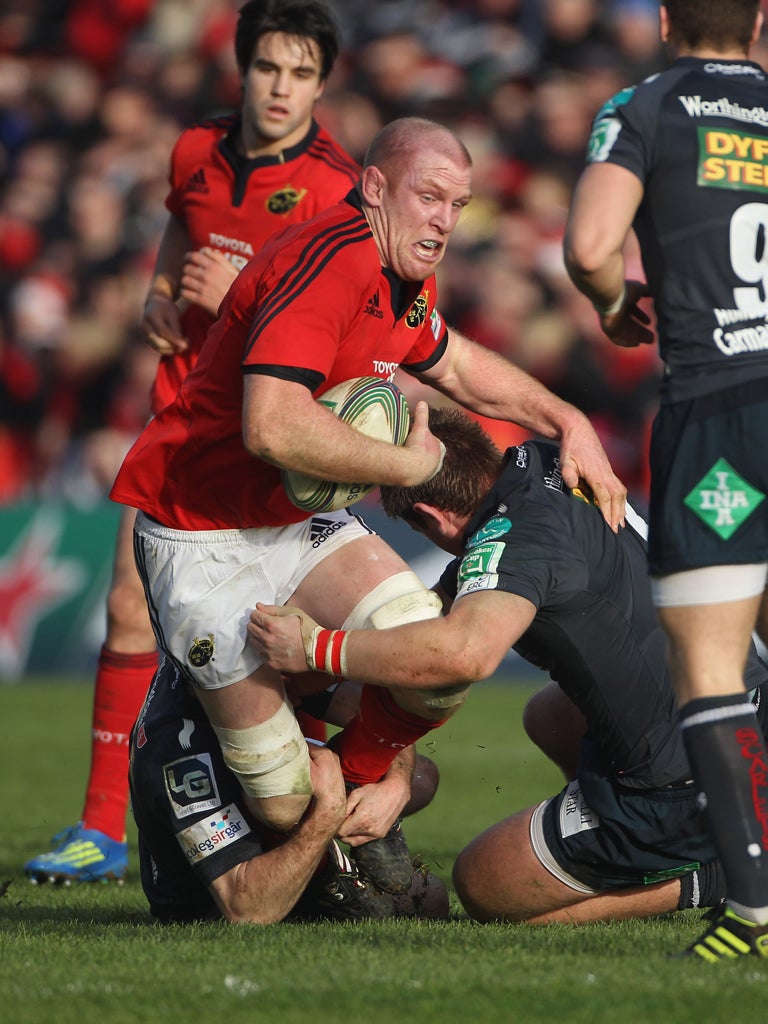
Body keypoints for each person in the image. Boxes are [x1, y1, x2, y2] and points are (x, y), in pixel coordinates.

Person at [107, 115, 625, 898]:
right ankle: (233, 765)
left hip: (288, 520)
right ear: (375, 188)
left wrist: (565, 419)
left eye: (459, 203)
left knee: (429, 646)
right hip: (197, 530)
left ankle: (367, 799)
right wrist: (406, 463)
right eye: (429, 197)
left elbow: (458, 366)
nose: (446, 220)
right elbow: (271, 423)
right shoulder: (333, 262)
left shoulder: (402, 276)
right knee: (283, 801)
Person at [24, 0, 361, 886]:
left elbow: (328, 325)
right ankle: (101, 831)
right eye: (267, 68)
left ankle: (332, 814)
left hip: (267, 434)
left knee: (282, 635)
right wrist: (161, 294)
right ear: (242, 68)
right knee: (129, 606)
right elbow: (182, 229)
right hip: (182, 415)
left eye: (300, 73)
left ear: (322, 85)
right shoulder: (194, 151)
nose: (281, 88)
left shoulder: (334, 185)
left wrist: (239, 289)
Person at [247, 406, 768, 929]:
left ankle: (712, 873)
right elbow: (417, 639)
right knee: (549, 714)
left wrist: (316, 649)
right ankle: (613, 847)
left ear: (429, 517)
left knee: (485, 887)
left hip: (680, 779)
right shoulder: (543, 462)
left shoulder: (513, 543)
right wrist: (320, 694)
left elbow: (462, 654)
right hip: (742, 703)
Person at [562, 0, 768, 959]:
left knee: (712, 667)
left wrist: (612, 304)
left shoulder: (643, 107)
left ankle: (756, 914)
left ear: (663, 18)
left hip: (718, 410)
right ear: (761, 18)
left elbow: (592, 247)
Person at [128, 653, 447, 923]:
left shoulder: (238, 657)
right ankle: (325, 873)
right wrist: (328, 808)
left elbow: (373, 706)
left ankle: (359, 810)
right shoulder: (182, 756)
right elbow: (245, 907)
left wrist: (394, 785)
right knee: (430, 900)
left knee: (420, 775)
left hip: (259, 802)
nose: (298, 695)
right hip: (221, 893)